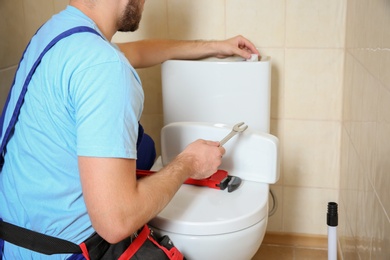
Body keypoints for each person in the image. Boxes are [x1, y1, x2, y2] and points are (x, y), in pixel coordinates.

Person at [0, 0, 260, 258]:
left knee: (144, 148)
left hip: (16, 242)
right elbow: (116, 223)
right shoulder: (105, 68)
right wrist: (190, 162)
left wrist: (215, 47)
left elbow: (137, 52)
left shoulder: (57, 33)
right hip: (69, 253)